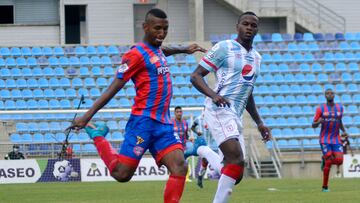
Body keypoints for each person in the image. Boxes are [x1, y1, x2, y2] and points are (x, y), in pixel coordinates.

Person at [68, 8, 205, 203]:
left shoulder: (157, 49)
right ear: (145, 27)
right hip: (143, 122)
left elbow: (162, 50)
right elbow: (112, 88)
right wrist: (87, 116)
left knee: (180, 167)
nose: (162, 33)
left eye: (165, 29)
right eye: (157, 28)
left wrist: (183, 49)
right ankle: (97, 134)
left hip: (163, 124)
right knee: (122, 174)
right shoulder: (135, 55)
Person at [190, 11, 271, 203]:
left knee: (236, 172)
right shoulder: (224, 47)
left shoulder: (257, 58)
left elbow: (248, 91)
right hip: (217, 110)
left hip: (235, 114)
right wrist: (214, 95)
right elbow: (195, 76)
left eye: (253, 25)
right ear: (237, 27)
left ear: (257, 29)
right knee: (236, 160)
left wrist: (259, 122)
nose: (249, 28)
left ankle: (204, 151)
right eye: (245, 24)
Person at [312, 88, 349, 192]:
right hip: (325, 139)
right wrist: (319, 121)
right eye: (327, 93)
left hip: (336, 139)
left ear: (334, 95)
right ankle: (325, 187)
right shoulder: (320, 109)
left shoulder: (340, 108)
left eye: (331, 93)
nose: (329, 95)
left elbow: (339, 120)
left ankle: (325, 159)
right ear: (325, 96)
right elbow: (313, 125)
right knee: (329, 160)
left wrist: (344, 131)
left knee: (340, 161)